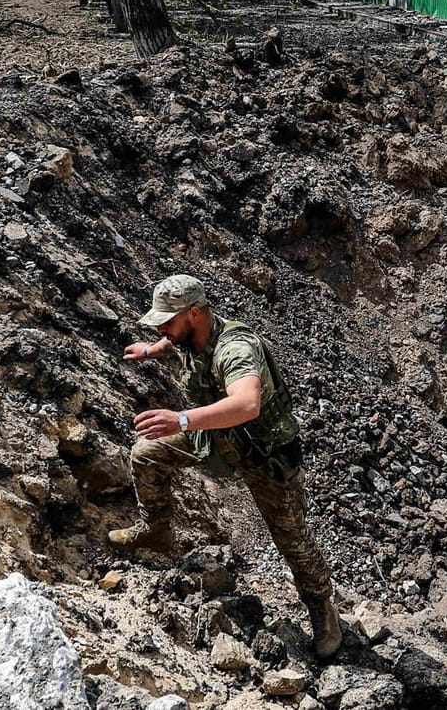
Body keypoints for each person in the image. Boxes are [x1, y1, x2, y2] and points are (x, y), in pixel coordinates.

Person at [111, 274, 342, 659]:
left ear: (195, 314)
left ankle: (321, 607)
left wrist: (181, 419)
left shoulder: (235, 350)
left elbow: (247, 403)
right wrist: (152, 350)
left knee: (291, 539)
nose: (163, 328)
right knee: (147, 453)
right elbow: (175, 341)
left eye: (167, 321)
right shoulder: (187, 332)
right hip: (216, 439)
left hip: (262, 454)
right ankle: (154, 531)